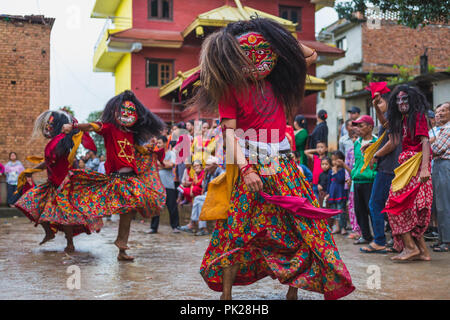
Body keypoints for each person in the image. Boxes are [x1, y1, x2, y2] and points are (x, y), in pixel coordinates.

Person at [191, 18, 354, 300]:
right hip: (250, 165)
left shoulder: (280, 81)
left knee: (301, 224)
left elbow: (310, 55)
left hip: (284, 163)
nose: (257, 63)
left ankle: (294, 292)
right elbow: (229, 134)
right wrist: (246, 170)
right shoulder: (229, 88)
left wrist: (274, 36)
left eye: (263, 53)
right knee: (236, 228)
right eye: (248, 56)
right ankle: (226, 297)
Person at [61, 90, 166, 261]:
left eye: (131, 113)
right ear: (116, 113)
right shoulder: (109, 128)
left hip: (131, 179)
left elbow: (137, 150)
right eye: (124, 112)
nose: (127, 115)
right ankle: (84, 226)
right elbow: (91, 126)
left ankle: (122, 248)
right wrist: (73, 126)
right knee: (101, 206)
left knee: (128, 212)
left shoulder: (131, 134)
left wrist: (148, 148)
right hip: (115, 179)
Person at [15, 110, 102, 252]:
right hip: (52, 185)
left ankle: (70, 243)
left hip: (64, 186)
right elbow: (47, 162)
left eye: (50, 124)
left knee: (64, 216)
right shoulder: (56, 142)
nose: (48, 127)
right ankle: (49, 232)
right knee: (31, 203)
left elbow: (66, 161)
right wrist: (31, 171)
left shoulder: (63, 142)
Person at [380, 85, 433, 261]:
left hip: (416, 166)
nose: (401, 102)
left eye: (405, 99)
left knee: (395, 206)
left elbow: (425, 142)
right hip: (406, 167)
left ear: (412, 100)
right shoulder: (404, 118)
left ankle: (410, 247)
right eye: (398, 99)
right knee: (408, 208)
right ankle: (423, 252)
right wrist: (376, 108)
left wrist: (425, 168)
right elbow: (390, 133)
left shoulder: (418, 117)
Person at [360, 91, 401, 254]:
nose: (378, 104)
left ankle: (379, 240)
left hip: (388, 167)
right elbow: (384, 124)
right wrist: (376, 107)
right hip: (390, 166)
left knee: (375, 203)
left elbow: (393, 143)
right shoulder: (394, 118)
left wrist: (375, 155)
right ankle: (395, 239)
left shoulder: (395, 118)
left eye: (381, 102)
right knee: (387, 205)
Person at [179, 156, 225, 236]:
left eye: (208, 165)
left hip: (218, 195)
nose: (206, 167)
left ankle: (192, 223)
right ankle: (203, 228)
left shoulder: (220, 173)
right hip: (209, 195)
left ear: (214, 165)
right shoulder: (209, 173)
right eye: (206, 165)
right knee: (200, 203)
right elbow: (205, 186)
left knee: (197, 199)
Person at [351, 115, 378, 245]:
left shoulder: (377, 142)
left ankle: (378, 237)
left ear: (370, 127)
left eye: (361, 126)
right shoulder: (356, 143)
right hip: (357, 180)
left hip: (370, 181)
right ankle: (366, 236)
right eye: (357, 126)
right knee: (359, 210)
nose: (358, 129)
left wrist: (373, 173)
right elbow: (356, 162)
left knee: (371, 209)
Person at [149, 135, 180, 234]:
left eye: (160, 143)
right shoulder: (156, 154)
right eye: (157, 143)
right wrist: (163, 164)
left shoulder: (171, 153)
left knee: (172, 206)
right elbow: (153, 166)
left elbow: (171, 165)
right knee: (155, 206)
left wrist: (160, 164)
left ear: (166, 143)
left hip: (168, 184)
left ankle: (175, 226)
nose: (158, 145)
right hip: (157, 184)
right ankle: (154, 227)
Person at [430, 102, 450, 252]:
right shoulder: (440, 131)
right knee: (439, 205)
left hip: (444, 165)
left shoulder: (447, 130)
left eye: (443, 111)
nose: (439, 114)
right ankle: (442, 238)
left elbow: (436, 149)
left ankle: (447, 241)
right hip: (438, 165)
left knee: (444, 205)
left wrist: (430, 143)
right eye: (437, 112)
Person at [327, 151, 348, 235]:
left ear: (342, 160)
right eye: (333, 160)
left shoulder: (343, 170)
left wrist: (335, 172)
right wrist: (328, 193)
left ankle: (343, 227)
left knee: (341, 211)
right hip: (333, 194)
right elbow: (329, 183)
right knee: (334, 212)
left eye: (336, 160)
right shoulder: (330, 171)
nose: (334, 162)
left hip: (340, 194)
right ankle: (337, 227)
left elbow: (340, 180)